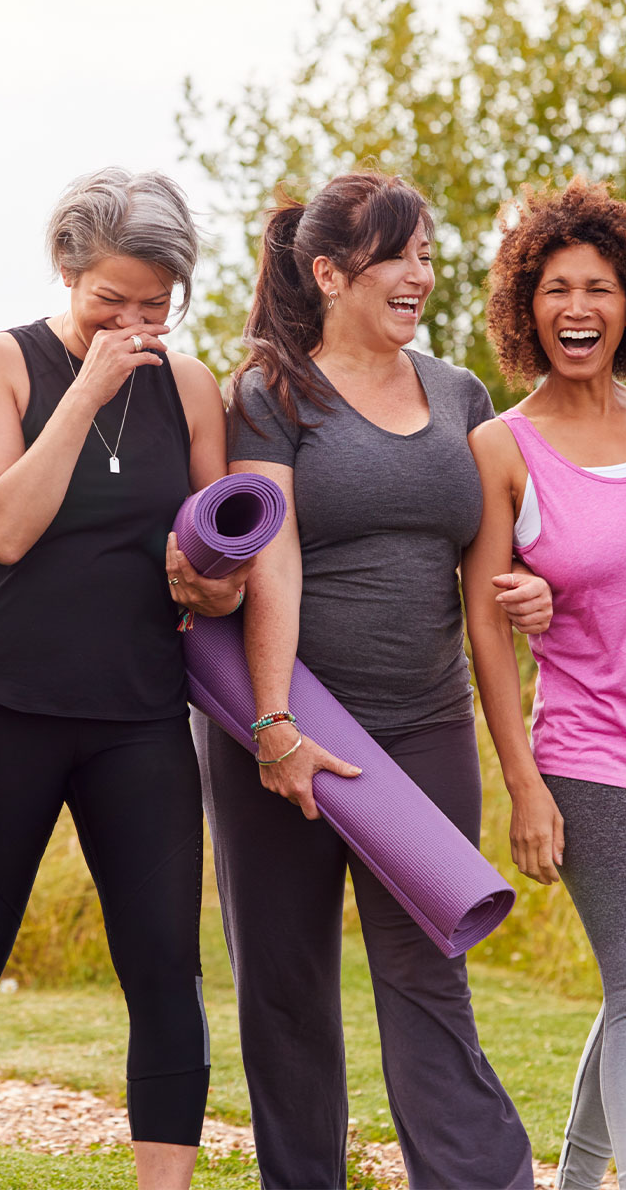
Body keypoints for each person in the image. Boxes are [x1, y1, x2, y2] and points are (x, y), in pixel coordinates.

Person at [0, 167, 248, 1190]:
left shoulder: (189, 386)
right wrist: (87, 387)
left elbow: (215, 555)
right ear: (67, 270)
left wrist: (212, 583)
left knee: (167, 979)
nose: (134, 325)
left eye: (155, 307)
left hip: (138, 719)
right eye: (110, 304)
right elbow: (0, 527)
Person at [195, 170, 551, 1190]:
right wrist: (271, 723)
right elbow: (273, 554)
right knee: (287, 988)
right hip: (292, 724)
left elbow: (493, 581)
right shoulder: (271, 390)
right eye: (400, 255)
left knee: (427, 973)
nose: (421, 277)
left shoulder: (460, 395)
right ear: (328, 271)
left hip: (424, 727)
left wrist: (535, 600)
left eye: (430, 257)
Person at [463, 178, 626, 1190]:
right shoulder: (501, 450)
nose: (577, 307)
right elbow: (484, 630)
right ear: (526, 307)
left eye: (598, 287)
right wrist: (524, 784)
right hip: (588, 752)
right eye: (555, 289)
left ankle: (580, 1172)